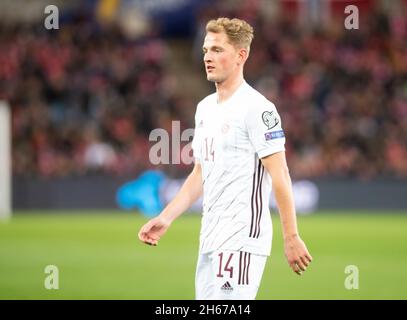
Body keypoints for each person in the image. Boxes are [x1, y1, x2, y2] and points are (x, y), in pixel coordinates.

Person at [138, 17, 312, 300]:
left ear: (241, 55)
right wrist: (166, 217)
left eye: (218, 50)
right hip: (209, 238)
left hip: (242, 239)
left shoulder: (257, 108)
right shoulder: (205, 108)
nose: (208, 57)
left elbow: (280, 175)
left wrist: (291, 237)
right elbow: (199, 173)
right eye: (206, 50)